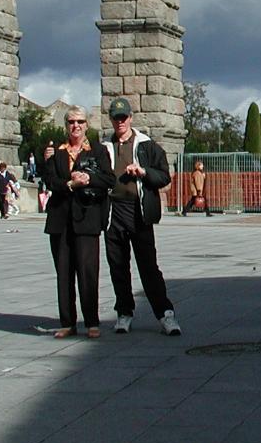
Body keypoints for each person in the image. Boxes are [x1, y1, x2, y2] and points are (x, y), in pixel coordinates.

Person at [102, 97, 181, 336]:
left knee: (148, 266)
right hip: (113, 211)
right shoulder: (104, 147)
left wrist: (143, 172)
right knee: (118, 266)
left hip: (138, 211)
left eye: (123, 117)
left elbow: (164, 176)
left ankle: (165, 313)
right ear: (111, 120)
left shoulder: (148, 146)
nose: (120, 122)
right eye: (116, 118)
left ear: (131, 117)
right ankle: (124, 312)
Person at [41, 107, 114, 338]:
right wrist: (70, 184)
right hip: (60, 220)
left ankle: (92, 322)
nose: (76, 126)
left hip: (87, 218)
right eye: (71, 122)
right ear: (66, 125)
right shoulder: (55, 152)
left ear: (87, 125)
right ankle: (67, 322)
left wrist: (89, 178)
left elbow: (109, 179)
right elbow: (50, 180)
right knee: (64, 273)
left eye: (80, 121)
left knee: (88, 272)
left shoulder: (98, 150)